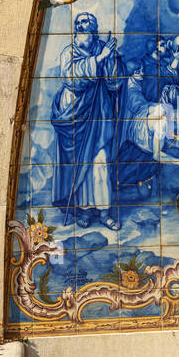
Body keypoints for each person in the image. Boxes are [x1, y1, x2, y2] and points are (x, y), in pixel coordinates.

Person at [50, 12, 124, 228]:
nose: (82, 25)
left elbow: (113, 84)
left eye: (87, 22)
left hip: (99, 112)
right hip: (74, 113)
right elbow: (73, 80)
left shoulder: (104, 48)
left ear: (94, 27)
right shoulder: (69, 52)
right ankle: (84, 212)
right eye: (79, 22)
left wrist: (110, 59)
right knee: (79, 164)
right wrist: (100, 59)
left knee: (100, 162)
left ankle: (104, 213)